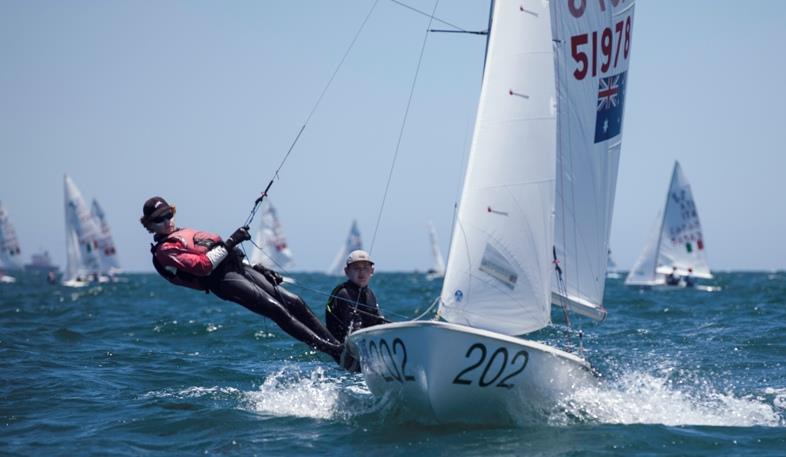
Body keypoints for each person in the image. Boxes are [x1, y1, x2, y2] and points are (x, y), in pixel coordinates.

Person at [139, 196, 344, 365]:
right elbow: (203, 266)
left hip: (240, 267)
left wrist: (259, 268)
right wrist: (231, 241)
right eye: (159, 219)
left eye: (168, 215)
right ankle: (333, 351)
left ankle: (339, 346)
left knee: (295, 301)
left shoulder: (185, 232)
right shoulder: (165, 251)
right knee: (276, 310)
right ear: (150, 225)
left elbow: (228, 253)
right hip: (222, 280)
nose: (167, 221)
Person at [325, 250, 386, 345]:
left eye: (365, 268)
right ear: (347, 271)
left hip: (367, 343)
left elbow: (379, 322)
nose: (361, 272)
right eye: (356, 268)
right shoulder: (343, 294)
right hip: (343, 349)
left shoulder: (370, 294)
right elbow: (354, 328)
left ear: (372, 271)